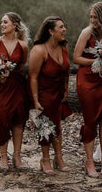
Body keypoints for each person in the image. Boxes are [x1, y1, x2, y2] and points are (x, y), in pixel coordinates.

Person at [73, 2, 102, 177]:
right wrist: (96, 62)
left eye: (95, 17)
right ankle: (89, 162)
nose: (92, 20)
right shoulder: (87, 33)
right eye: (91, 17)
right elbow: (76, 57)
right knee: (90, 121)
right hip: (87, 79)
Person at [0, 12, 29, 169]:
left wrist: (10, 73)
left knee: (18, 121)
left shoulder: (23, 45)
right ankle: (4, 157)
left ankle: (17, 156)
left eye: (5, 22)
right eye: (1, 22)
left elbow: (22, 65)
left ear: (15, 25)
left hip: (17, 86)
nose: (2, 25)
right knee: (3, 120)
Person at [29, 16, 71, 175]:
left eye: (64, 26)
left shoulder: (64, 47)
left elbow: (66, 70)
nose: (64, 30)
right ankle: (45, 159)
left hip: (59, 93)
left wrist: (66, 89)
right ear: (51, 31)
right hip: (43, 94)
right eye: (61, 27)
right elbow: (32, 76)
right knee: (45, 127)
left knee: (57, 126)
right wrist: (35, 100)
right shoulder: (39, 50)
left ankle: (58, 158)